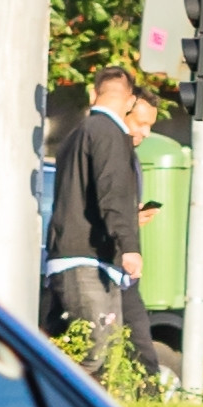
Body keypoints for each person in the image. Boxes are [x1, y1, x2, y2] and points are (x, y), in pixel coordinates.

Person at [44, 58, 158, 383]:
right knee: (96, 355)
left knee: (77, 350)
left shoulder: (76, 135)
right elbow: (113, 194)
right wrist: (129, 246)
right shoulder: (109, 133)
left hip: (69, 257)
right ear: (131, 100)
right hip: (87, 262)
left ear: (94, 94)